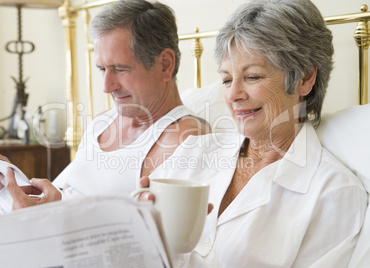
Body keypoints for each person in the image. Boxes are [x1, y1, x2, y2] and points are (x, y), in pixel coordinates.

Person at [140, 0, 367, 267]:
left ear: (305, 78)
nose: (233, 95)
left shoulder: (331, 193)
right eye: (226, 79)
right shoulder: (194, 151)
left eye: (253, 77)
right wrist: (139, 222)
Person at [0, 0, 209, 211]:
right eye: (102, 69)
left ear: (165, 65)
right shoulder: (103, 122)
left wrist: (55, 216)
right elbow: (65, 193)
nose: (106, 86)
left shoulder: (186, 138)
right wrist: (10, 180)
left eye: (120, 69)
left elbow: (159, 244)